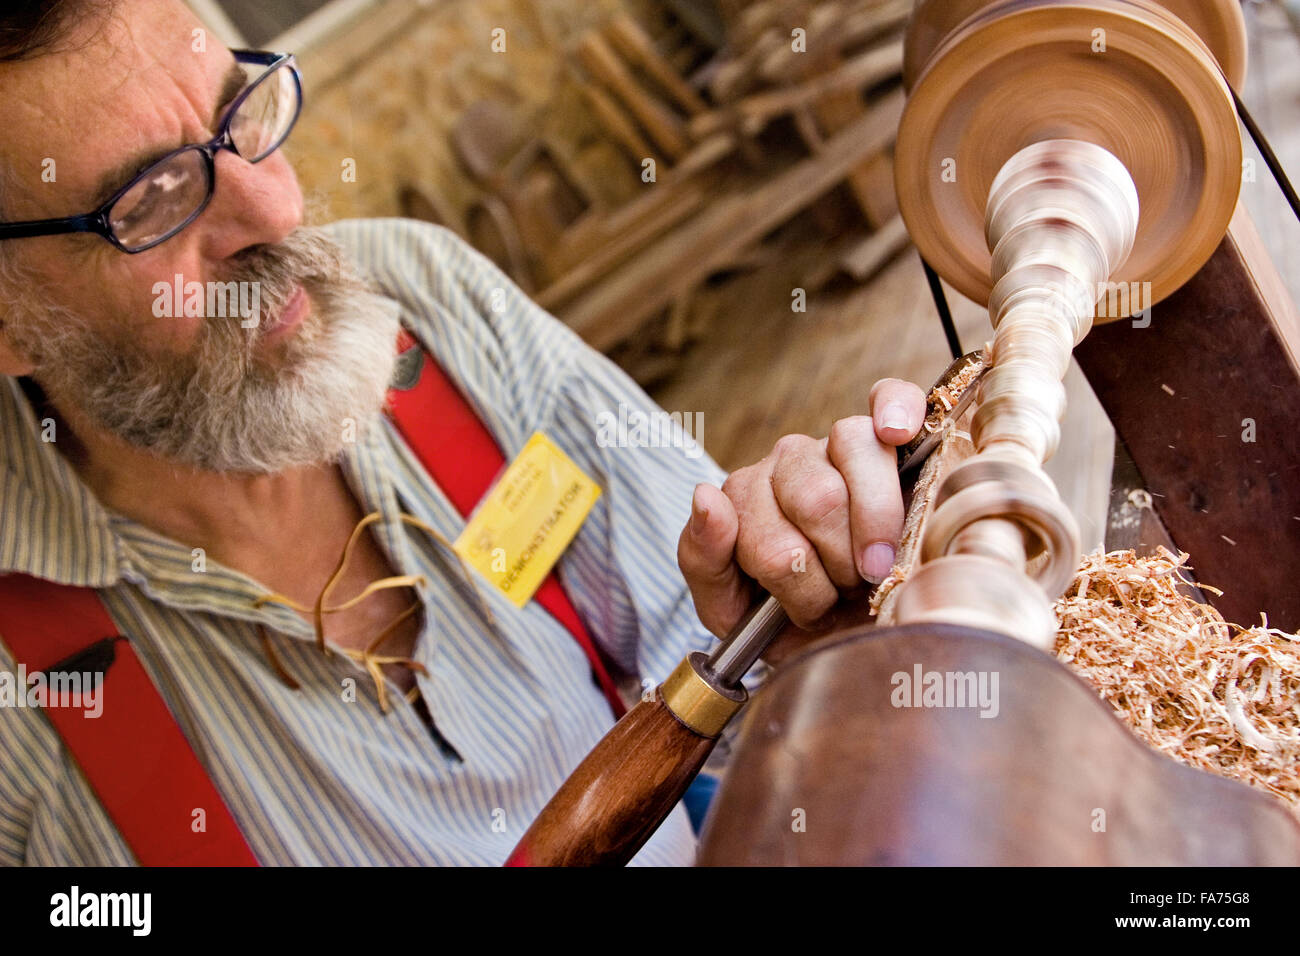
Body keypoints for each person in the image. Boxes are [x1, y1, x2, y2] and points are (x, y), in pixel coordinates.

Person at [0, 0, 925, 865]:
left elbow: (738, 674)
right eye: (153, 198)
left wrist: (797, 606)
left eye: (236, 112)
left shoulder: (423, 302)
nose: (276, 208)